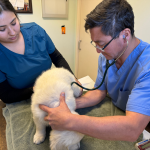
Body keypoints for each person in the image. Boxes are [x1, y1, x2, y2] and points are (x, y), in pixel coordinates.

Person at [40, 0, 150, 142]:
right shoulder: (107, 57)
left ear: (125, 35)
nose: (98, 51)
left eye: (102, 44)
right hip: (118, 111)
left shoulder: (146, 66)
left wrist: (70, 120)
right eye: (95, 43)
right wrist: (69, 104)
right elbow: (99, 91)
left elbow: (132, 129)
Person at [0, 0, 81, 104]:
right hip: (21, 99)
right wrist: (38, 89)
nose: (12, 32)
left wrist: (72, 79)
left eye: (13, 23)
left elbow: (57, 58)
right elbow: (6, 96)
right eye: (2, 29)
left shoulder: (36, 31)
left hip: (50, 89)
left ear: (16, 16)